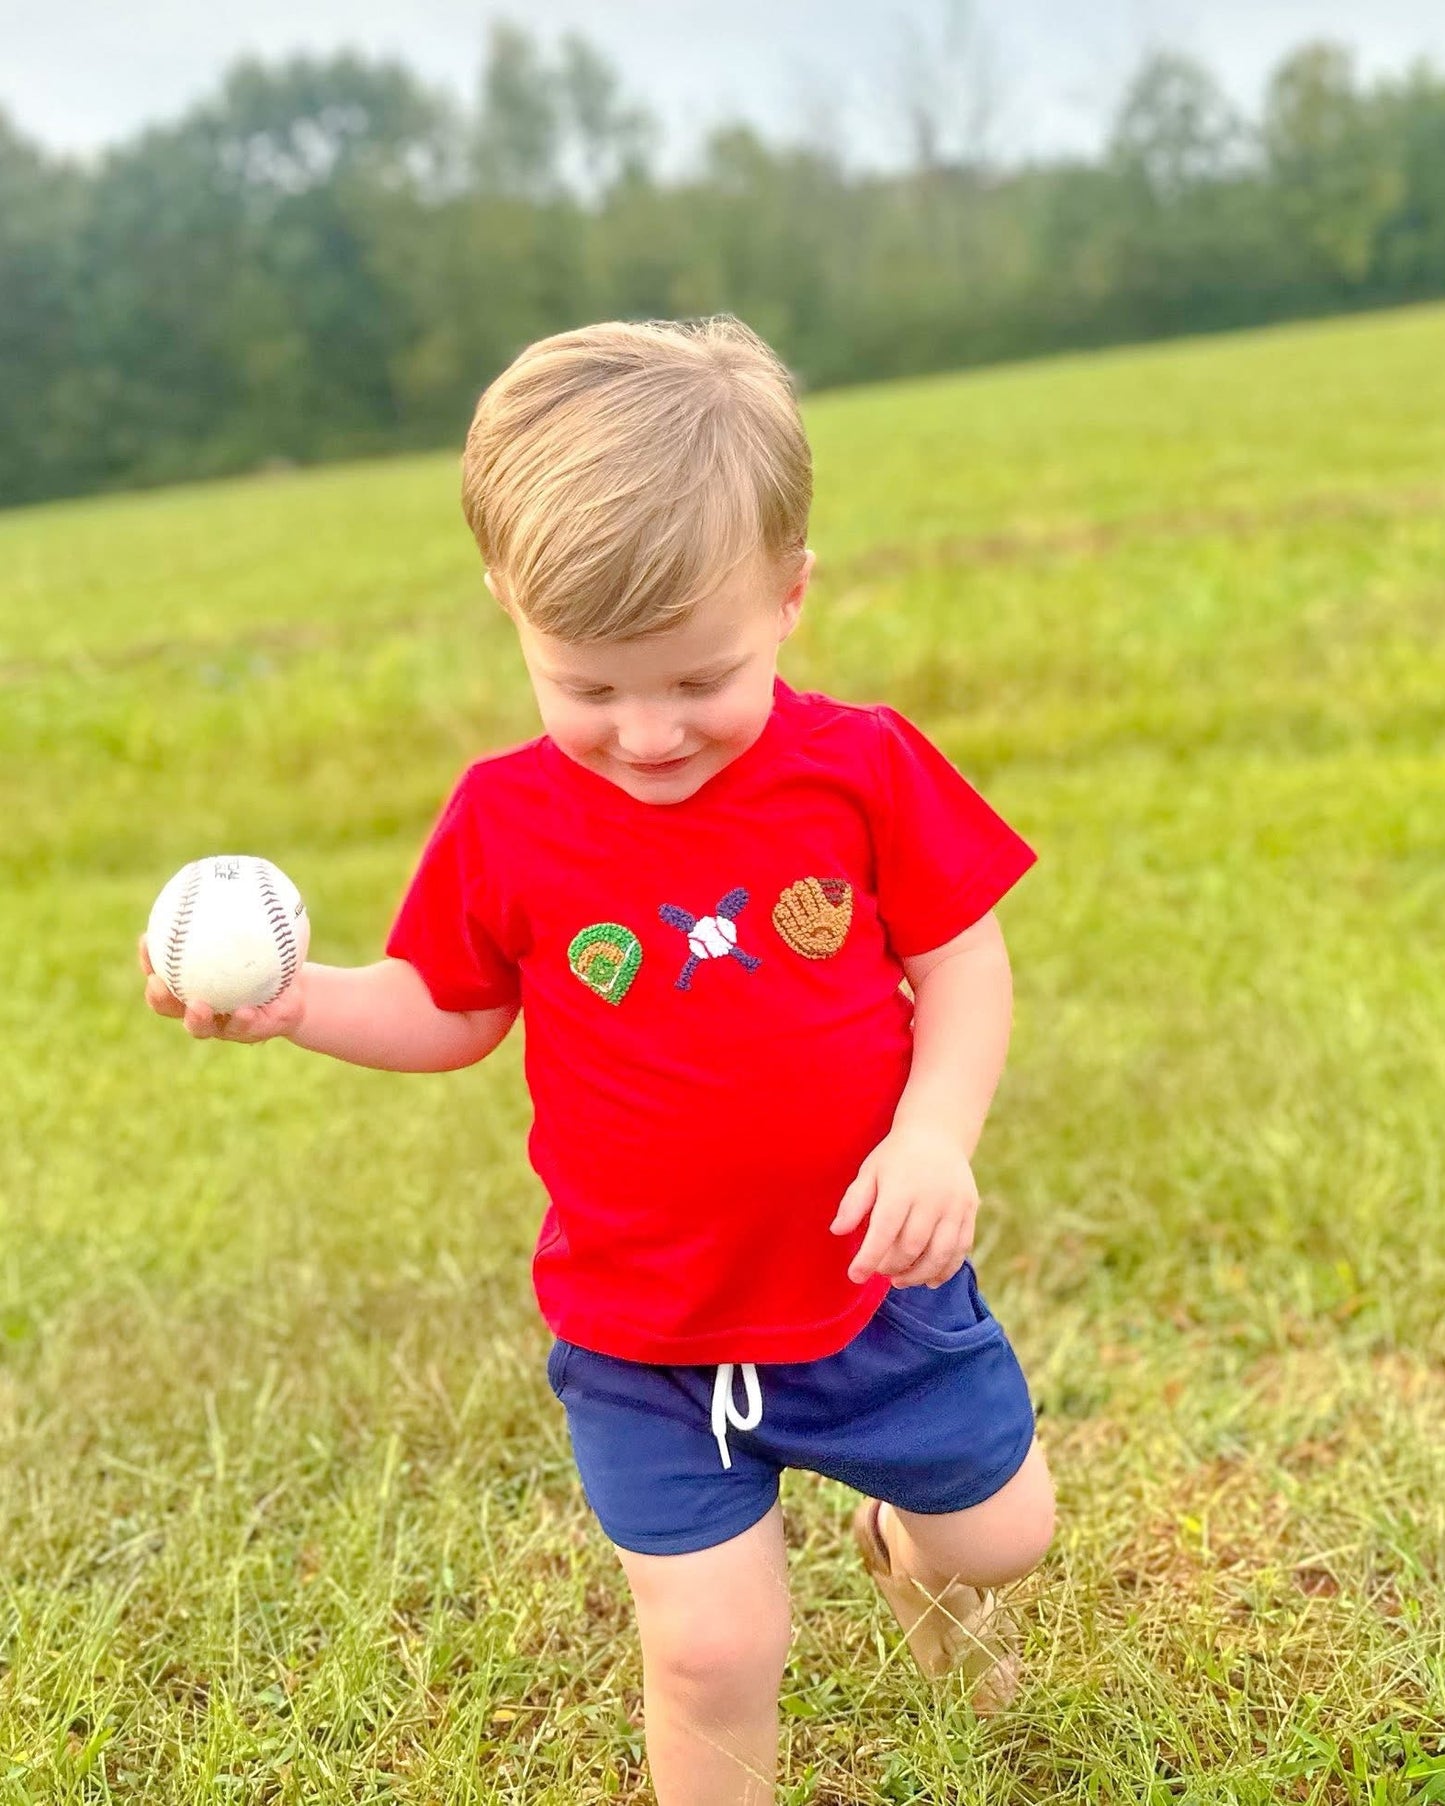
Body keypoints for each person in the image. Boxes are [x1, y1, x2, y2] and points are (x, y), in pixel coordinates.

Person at [140, 315, 1056, 1806]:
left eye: (695, 679)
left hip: (869, 1285)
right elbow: (448, 1009)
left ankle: (901, 1546)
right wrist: (302, 1002)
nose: (642, 734)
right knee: (709, 1644)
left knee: (1002, 1533)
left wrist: (935, 1134)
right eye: (586, 688)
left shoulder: (861, 765)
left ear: (789, 592)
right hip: (648, 1327)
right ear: (509, 609)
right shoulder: (507, 821)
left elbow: (964, 960)